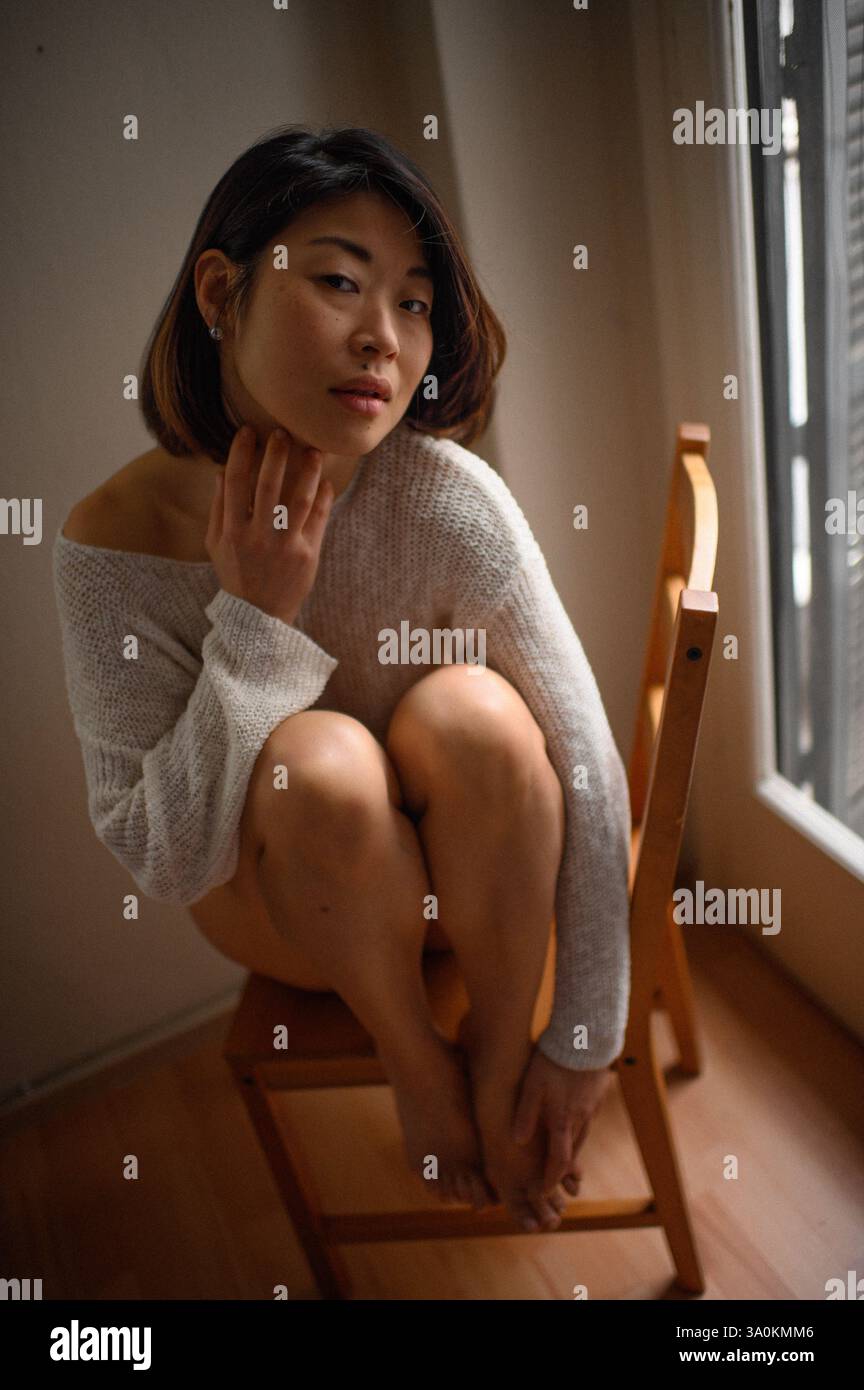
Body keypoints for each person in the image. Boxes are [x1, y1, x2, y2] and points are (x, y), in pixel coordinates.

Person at [52, 123, 631, 1235]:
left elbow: (587, 767)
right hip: (293, 911)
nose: (384, 338)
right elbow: (166, 856)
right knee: (317, 762)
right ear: (221, 293)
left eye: (414, 303)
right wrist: (256, 616)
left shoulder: (446, 497)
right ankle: (419, 1065)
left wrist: (581, 1039)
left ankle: (497, 1070)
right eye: (337, 281)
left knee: (478, 714)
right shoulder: (109, 547)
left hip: (476, 891)